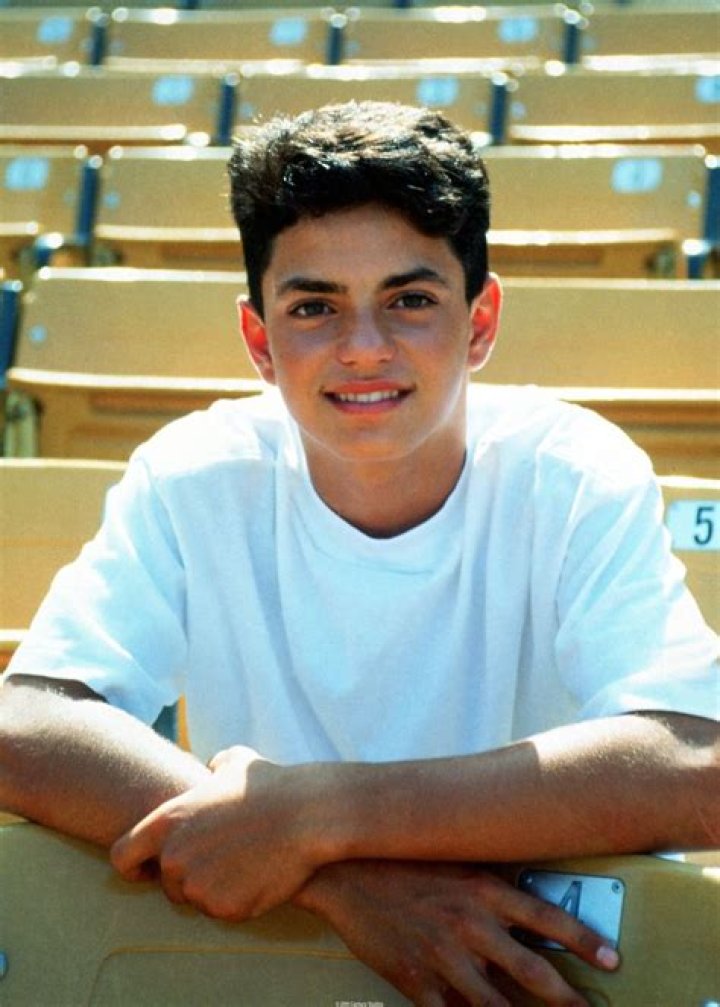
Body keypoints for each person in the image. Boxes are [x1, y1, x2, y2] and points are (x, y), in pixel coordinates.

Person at [1, 101, 718, 1007]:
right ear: (259, 339)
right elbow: (26, 722)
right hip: (267, 960)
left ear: (481, 321)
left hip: (523, 976)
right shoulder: (193, 475)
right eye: (314, 307)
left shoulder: (573, 474)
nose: (364, 349)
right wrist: (341, 881)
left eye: (410, 300)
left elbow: (695, 768)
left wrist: (318, 812)